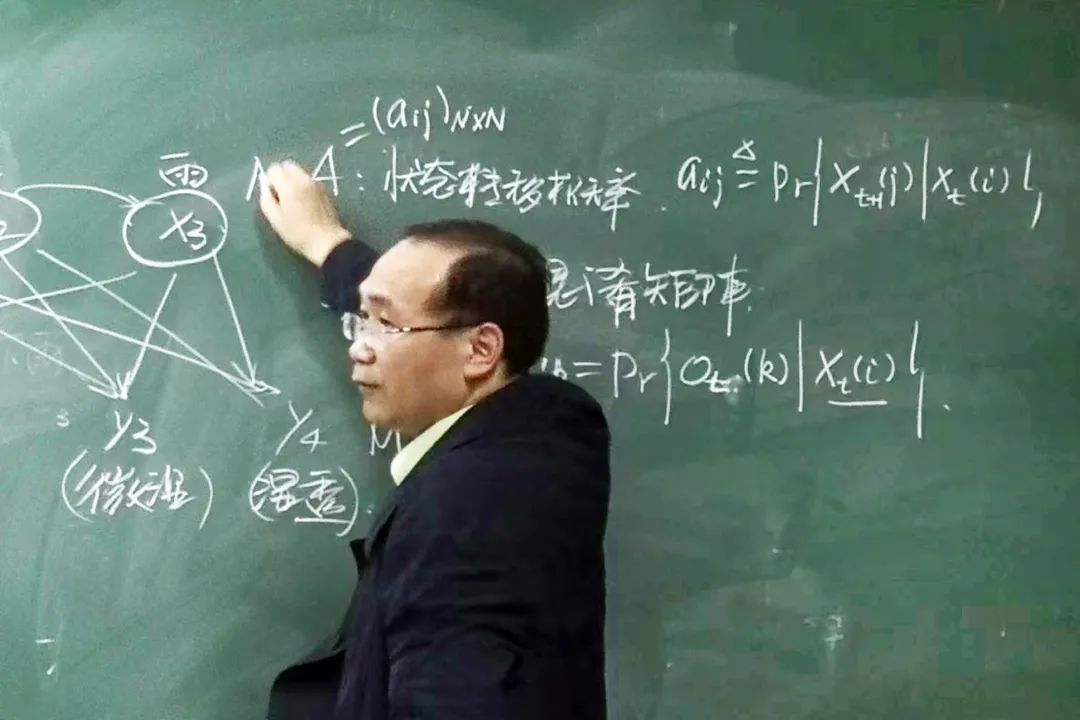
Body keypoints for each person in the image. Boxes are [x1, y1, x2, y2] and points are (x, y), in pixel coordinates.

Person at [258, 161, 612, 719]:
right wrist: (330, 246)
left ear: (481, 350)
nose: (359, 345)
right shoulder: (553, 430)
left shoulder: (464, 509)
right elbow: (431, 311)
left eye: (383, 323)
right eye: (364, 316)